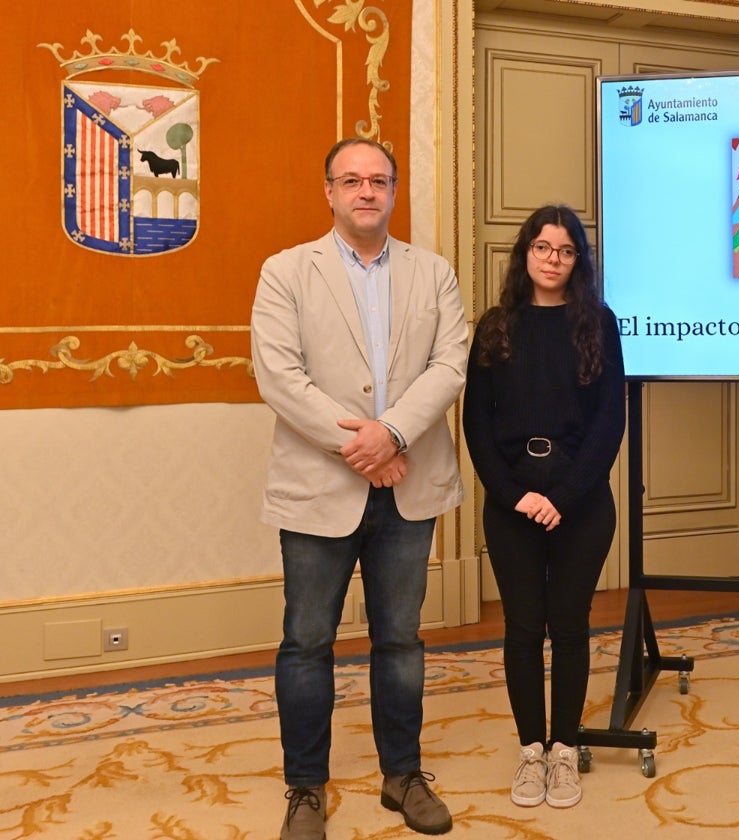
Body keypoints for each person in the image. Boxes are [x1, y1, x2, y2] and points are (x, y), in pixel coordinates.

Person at [250, 137, 468, 839]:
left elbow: (449, 364)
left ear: (394, 191)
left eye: (378, 180)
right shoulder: (285, 272)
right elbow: (279, 377)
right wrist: (364, 448)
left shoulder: (433, 273)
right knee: (307, 642)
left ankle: (402, 775)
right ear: (330, 192)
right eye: (352, 180)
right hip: (319, 488)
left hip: (409, 486)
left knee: (400, 640)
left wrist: (392, 435)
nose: (366, 191)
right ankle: (306, 790)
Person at [462, 204, 626, 809]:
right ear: (525, 254)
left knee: (571, 625)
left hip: (580, 502)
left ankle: (564, 751)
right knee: (524, 628)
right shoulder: (495, 326)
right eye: (542, 247)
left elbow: (611, 424)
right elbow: (475, 426)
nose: (553, 259)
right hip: (511, 503)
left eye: (565, 250)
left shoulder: (598, 325)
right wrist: (518, 495)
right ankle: (531, 750)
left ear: (577, 261)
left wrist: (560, 496)